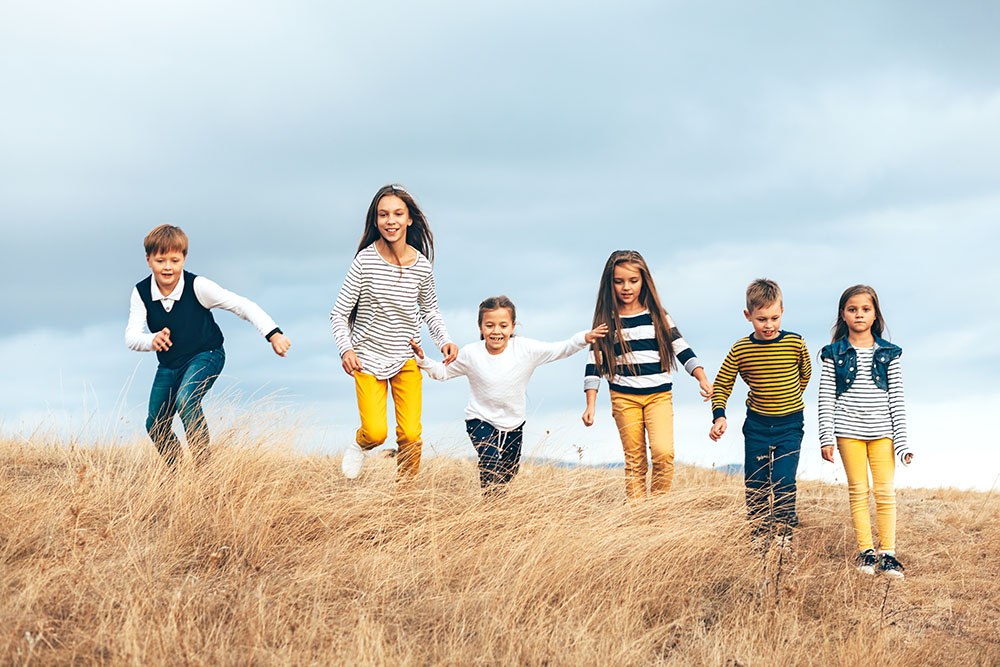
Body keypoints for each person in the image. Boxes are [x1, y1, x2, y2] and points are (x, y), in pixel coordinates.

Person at [125, 224, 291, 466]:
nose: (168, 267)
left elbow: (241, 305)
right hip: (170, 365)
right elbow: (131, 336)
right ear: (149, 260)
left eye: (175, 259)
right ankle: (178, 473)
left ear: (184, 258)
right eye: (161, 260)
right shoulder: (141, 292)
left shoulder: (198, 286)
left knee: (186, 400)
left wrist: (273, 333)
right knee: (154, 424)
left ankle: (204, 470)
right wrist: (151, 340)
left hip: (207, 354)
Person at [410, 296, 607, 494]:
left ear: (512, 327)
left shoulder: (525, 349)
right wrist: (423, 360)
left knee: (508, 472)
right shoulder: (471, 353)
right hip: (480, 420)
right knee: (490, 463)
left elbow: (560, 349)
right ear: (480, 327)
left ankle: (500, 502)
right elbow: (442, 372)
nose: (496, 331)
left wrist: (584, 338)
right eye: (489, 325)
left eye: (503, 325)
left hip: (513, 423)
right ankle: (492, 509)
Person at [330, 184, 457, 480]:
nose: (391, 221)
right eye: (383, 214)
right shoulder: (364, 262)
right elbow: (339, 313)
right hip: (367, 358)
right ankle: (361, 443)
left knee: (411, 434)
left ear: (409, 219)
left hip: (406, 357)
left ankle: (405, 496)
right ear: (375, 221)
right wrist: (346, 349)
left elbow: (430, 311)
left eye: (398, 214)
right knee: (376, 432)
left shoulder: (422, 267)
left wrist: (445, 340)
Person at [582, 250, 712, 501]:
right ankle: (640, 518)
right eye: (618, 281)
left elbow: (681, 348)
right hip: (623, 398)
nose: (626, 287)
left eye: (633, 280)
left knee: (663, 454)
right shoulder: (606, 321)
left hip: (658, 397)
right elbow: (594, 364)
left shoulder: (658, 316)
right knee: (635, 460)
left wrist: (701, 377)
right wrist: (591, 404)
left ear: (644, 281)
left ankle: (658, 512)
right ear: (609, 283)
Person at [709, 278, 810, 546]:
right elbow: (722, 384)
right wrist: (719, 415)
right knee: (756, 483)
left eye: (774, 318)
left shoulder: (795, 343)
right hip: (757, 425)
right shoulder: (741, 349)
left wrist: (787, 397)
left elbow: (805, 375)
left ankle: (784, 535)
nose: (768, 325)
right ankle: (759, 535)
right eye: (761, 319)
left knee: (783, 479)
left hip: (790, 424)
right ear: (748, 316)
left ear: (782, 312)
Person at [818, 285, 910, 579]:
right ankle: (866, 553)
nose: (859, 314)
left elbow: (897, 398)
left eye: (865, 309)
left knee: (885, 493)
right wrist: (826, 437)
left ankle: (889, 555)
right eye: (852, 309)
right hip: (848, 433)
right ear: (843, 314)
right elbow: (825, 397)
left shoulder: (888, 354)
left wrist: (903, 443)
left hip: (883, 433)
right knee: (858, 492)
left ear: (875, 314)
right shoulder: (833, 353)